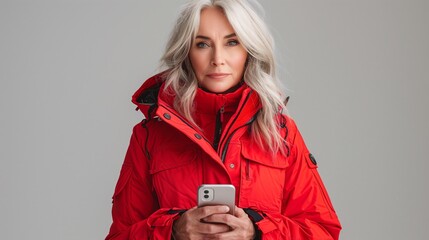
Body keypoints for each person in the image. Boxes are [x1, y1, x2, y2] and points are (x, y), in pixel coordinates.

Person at [105, 0, 342, 239]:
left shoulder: (281, 133)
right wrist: (172, 231)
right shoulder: (150, 135)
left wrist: (257, 232)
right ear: (186, 52)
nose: (218, 58)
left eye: (232, 42)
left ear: (249, 50)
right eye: (202, 44)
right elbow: (120, 236)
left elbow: (323, 233)